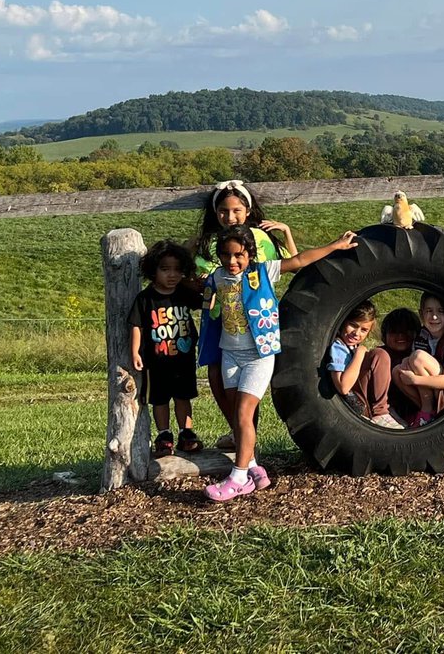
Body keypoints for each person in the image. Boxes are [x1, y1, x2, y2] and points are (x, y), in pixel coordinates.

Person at [199, 224, 358, 501]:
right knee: (237, 414)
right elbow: (202, 295)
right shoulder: (218, 277)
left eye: (238, 255)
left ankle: (238, 478)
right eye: (226, 255)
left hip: (258, 354)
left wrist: (334, 246)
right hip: (230, 353)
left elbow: (299, 260)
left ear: (250, 254)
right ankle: (253, 467)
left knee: (243, 414)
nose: (232, 261)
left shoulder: (262, 272)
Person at [193, 179, 297, 450]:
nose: (230, 217)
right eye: (224, 212)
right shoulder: (208, 243)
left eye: (237, 210)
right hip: (219, 318)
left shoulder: (259, 238)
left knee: (247, 384)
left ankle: (245, 432)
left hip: (251, 318)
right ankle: (238, 430)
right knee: (217, 373)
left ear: (248, 211)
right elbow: (201, 273)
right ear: (215, 213)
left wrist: (286, 232)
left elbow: (285, 265)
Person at [128, 239, 203, 457]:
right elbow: (136, 326)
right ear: (153, 270)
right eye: (165, 269)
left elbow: (205, 302)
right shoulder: (145, 299)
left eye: (178, 270)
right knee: (159, 399)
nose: (172, 275)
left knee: (183, 397)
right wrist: (135, 351)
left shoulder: (183, 293)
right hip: (156, 362)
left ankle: (186, 433)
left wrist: (200, 283)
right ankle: (164, 435)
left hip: (183, 360)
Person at [392, 293, 444, 428]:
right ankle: (426, 413)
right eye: (429, 311)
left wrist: (414, 380)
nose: (434, 317)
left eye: (440, 311)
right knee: (398, 370)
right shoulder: (422, 336)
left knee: (418, 357)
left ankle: (427, 412)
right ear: (421, 314)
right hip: (431, 390)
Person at [329, 301, 404, 428]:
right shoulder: (338, 347)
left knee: (379, 355)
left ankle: (384, 410)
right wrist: (359, 353)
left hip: (362, 401)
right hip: (352, 402)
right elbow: (343, 387)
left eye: (363, 330)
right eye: (353, 325)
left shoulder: (351, 346)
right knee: (379, 354)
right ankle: (380, 412)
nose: (357, 333)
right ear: (343, 322)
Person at [372, 307, 423, 424]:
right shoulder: (380, 356)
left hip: (414, 407)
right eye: (394, 331)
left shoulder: (420, 355)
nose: (401, 335)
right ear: (384, 336)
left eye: (406, 330)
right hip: (387, 408)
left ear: (417, 333)